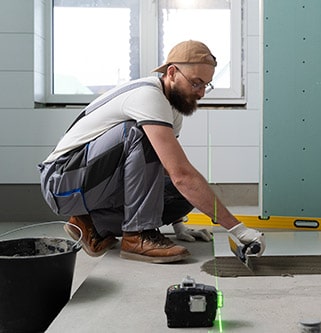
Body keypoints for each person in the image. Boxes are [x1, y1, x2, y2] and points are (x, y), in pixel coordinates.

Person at [38, 40, 265, 264]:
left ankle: (91, 224)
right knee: (141, 136)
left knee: (181, 196)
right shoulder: (148, 95)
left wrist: (178, 224)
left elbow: (164, 170)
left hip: (93, 183)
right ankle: (138, 235)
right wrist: (238, 229)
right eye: (196, 83)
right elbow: (181, 174)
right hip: (62, 181)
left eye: (206, 85)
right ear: (172, 72)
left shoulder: (171, 110)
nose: (202, 93)